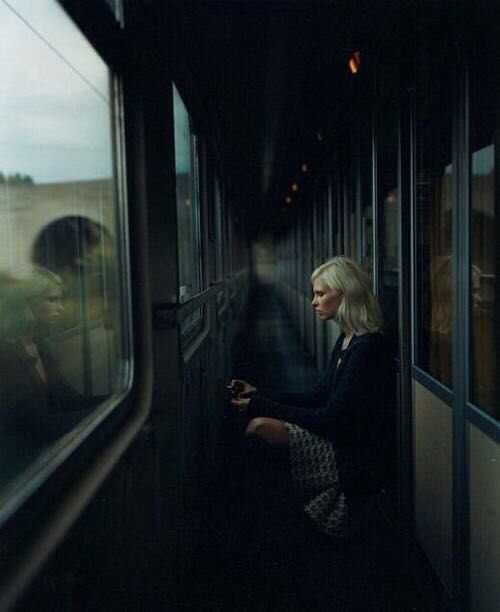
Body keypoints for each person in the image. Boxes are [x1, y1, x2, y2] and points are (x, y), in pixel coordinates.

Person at [230, 255, 396, 538]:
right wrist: (260, 394)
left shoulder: (366, 349)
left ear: (345, 296)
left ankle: (270, 518)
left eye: (321, 294)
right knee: (258, 424)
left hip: (353, 452)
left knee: (259, 427)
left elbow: (330, 419)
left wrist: (261, 405)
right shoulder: (348, 338)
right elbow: (318, 394)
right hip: (341, 436)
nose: (313, 302)